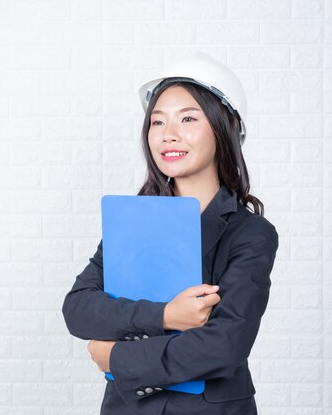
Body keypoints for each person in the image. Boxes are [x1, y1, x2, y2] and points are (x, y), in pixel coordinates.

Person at [62, 52, 279, 415]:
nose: (168, 135)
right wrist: (166, 315)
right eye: (157, 122)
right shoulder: (132, 221)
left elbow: (223, 347)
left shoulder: (251, 234)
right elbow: (79, 309)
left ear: (225, 126)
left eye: (188, 119)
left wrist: (116, 356)